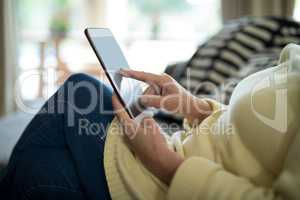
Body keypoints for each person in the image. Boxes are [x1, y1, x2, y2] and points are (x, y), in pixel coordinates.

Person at [1, 44, 300, 200]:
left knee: (80, 91)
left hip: (170, 181)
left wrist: (162, 162)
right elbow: (253, 135)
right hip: (177, 155)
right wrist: (193, 107)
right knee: (40, 176)